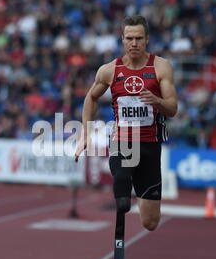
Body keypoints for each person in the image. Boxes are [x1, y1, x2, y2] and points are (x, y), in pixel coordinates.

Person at [74, 15, 178, 232]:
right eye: (129, 38)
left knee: (150, 222)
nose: (134, 43)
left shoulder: (161, 67)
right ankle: (122, 196)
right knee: (121, 180)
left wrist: (157, 100)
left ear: (147, 39)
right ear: (122, 39)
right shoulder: (109, 70)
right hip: (122, 141)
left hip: (150, 145)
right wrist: (86, 133)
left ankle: (130, 194)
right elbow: (91, 97)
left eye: (139, 38)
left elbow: (173, 109)